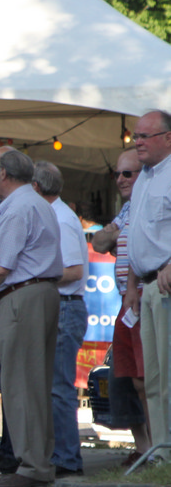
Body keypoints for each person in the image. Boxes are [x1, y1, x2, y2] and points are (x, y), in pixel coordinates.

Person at [0, 150, 62, 487]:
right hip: (41, 292)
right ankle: (38, 460)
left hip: (21, 296)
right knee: (35, 383)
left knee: (20, 384)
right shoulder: (37, 203)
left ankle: (31, 464)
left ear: (4, 174)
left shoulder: (16, 208)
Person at [91, 147, 151, 462]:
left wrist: (115, 235)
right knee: (123, 376)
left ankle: (157, 448)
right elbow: (98, 242)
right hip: (127, 304)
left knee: (144, 378)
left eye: (127, 173)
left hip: (145, 298)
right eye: (117, 174)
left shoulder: (152, 204)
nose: (120, 180)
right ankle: (143, 448)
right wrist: (112, 234)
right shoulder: (127, 209)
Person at [33, 160, 89, 477]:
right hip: (61, 305)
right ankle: (60, 454)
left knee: (59, 386)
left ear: (36, 187)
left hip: (65, 306)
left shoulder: (61, 219)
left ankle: (67, 458)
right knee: (54, 386)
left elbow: (74, 271)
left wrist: (37, 277)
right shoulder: (56, 215)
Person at [122, 110, 171, 464]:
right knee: (151, 378)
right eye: (135, 136)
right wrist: (131, 285)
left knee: (168, 374)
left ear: (168, 138)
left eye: (144, 136)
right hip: (146, 285)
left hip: (167, 282)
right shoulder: (143, 179)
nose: (137, 142)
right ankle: (161, 452)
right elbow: (136, 236)